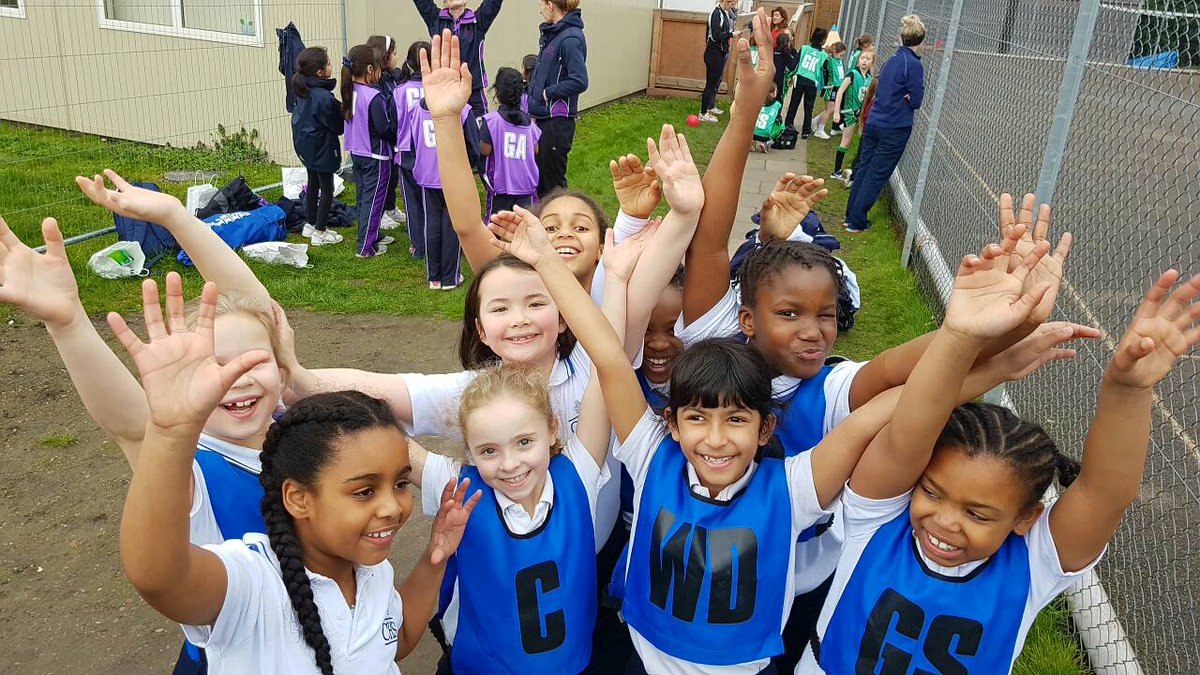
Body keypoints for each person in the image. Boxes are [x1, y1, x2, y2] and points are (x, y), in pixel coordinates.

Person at [486, 201, 1063, 675]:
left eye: (737, 420)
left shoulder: (792, 486)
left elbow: (892, 405)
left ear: (767, 430)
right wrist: (545, 263)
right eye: (698, 419)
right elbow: (608, 356)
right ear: (670, 422)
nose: (715, 438)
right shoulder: (652, 455)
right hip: (639, 656)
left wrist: (982, 354)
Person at [800, 268, 1200, 674]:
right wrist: (959, 336)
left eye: (977, 514)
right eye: (932, 492)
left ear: (1027, 518)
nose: (944, 520)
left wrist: (1128, 390)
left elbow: (1103, 494)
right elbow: (906, 431)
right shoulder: (877, 519)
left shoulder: (1033, 566)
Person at [108, 277, 479, 674]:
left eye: (401, 483)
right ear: (298, 497)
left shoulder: (369, 570)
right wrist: (171, 431)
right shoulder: (252, 583)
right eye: (364, 491)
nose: (393, 507)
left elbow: (398, 639)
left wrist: (434, 558)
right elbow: (159, 577)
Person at [417, 212, 645, 673]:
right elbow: (373, 431)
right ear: (468, 447)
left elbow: (610, 360)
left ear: (553, 430)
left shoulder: (577, 472)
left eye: (524, 441)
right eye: (487, 450)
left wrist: (605, 278)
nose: (509, 464)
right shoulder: (459, 489)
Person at [843, 14, 925, 233]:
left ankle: (850, 214)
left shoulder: (893, 60)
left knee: (865, 167)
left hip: (875, 121)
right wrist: (907, 96)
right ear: (920, 40)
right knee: (877, 172)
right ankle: (857, 221)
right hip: (894, 126)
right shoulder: (913, 65)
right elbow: (916, 100)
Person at [407, 79, 475, 290]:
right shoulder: (463, 110)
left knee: (432, 223)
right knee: (452, 225)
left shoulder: (416, 110)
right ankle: (450, 277)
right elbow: (473, 145)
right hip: (453, 176)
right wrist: (470, 168)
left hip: (427, 175)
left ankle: (434, 277)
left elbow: (411, 143)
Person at [528, 0, 588, 197]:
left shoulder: (570, 39)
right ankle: (545, 225)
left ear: (551, 5)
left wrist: (547, 93)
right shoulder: (554, 35)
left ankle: (560, 224)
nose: (539, 9)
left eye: (541, 4)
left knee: (553, 187)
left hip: (557, 123)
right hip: (544, 119)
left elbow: (579, 80)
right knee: (540, 182)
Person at [342, 44, 397, 257]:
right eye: (378, 68)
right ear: (369, 70)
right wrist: (396, 135)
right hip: (376, 156)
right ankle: (365, 247)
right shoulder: (373, 96)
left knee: (364, 198)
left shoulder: (350, 90)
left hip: (357, 153)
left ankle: (372, 234)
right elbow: (383, 128)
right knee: (374, 201)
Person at [410, 0, 507, 121]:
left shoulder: (477, 21)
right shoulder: (435, 19)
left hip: (473, 91)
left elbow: (493, 3)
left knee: (478, 134)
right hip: (444, 89)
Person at [290, 46, 345, 246]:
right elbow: (337, 127)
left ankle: (310, 223)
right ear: (320, 73)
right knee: (327, 187)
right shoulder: (324, 97)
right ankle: (320, 231)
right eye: (329, 63)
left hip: (306, 146)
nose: (332, 65)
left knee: (312, 184)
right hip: (322, 148)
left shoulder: (302, 89)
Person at [479, 67, 541, 220]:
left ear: (497, 92)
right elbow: (535, 150)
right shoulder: (530, 124)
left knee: (494, 229)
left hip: (501, 187)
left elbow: (485, 150)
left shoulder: (492, 121)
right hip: (526, 186)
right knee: (527, 227)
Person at [393, 40, 431, 259]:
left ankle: (418, 245)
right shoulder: (437, 89)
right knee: (435, 201)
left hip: (407, 150)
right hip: (433, 151)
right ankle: (438, 243)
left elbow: (393, 123)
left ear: (408, 62)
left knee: (413, 203)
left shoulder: (399, 91)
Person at [367, 34, 408, 231]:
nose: (397, 57)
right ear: (384, 57)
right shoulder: (377, 82)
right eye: (394, 53)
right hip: (382, 137)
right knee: (381, 179)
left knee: (392, 175)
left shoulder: (395, 76)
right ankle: (380, 212)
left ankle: (390, 207)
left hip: (395, 133)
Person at [831, 46, 874, 182]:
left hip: (861, 114)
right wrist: (837, 112)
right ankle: (836, 171)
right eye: (862, 58)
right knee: (846, 140)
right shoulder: (852, 74)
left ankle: (857, 168)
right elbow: (840, 92)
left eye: (868, 59)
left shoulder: (869, 78)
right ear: (858, 60)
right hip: (850, 113)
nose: (864, 61)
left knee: (861, 140)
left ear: (872, 62)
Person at [784, 27, 826, 139]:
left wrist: (791, 75)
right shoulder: (823, 55)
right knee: (809, 107)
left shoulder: (804, 48)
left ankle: (788, 125)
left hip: (800, 79)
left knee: (794, 104)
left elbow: (796, 63)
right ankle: (806, 131)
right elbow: (824, 70)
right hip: (812, 82)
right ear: (823, 41)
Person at [700, 0, 738, 123]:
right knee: (710, 85)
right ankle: (703, 113)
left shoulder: (724, 13)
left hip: (720, 53)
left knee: (714, 83)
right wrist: (731, 34)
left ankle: (709, 108)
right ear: (726, 1)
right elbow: (716, 35)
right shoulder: (716, 14)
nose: (733, 6)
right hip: (713, 53)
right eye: (732, 3)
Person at [811, 41, 847, 139]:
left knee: (832, 109)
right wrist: (829, 50)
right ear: (835, 53)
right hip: (830, 88)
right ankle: (819, 130)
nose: (841, 57)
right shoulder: (829, 60)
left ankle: (814, 121)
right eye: (841, 55)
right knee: (829, 110)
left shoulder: (838, 60)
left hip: (837, 88)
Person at [752, 84, 785, 153]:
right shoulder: (777, 105)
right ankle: (765, 143)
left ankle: (752, 142)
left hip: (753, 133)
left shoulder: (758, 102)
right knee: (781, 127)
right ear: (773, 93)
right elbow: (778, 118)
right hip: (766, 135)